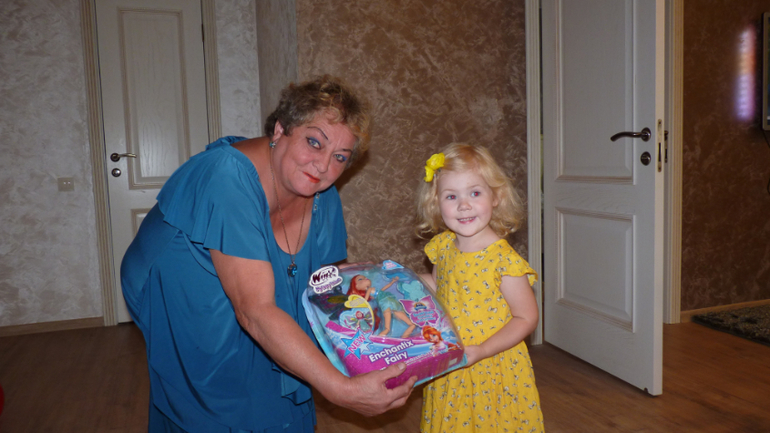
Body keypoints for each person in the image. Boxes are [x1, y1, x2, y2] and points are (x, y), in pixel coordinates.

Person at [120, 75, 417, 433]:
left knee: (276, 373)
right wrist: (340, 389)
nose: (323, 166)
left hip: (252, 291)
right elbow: (255, 310)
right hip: (181, 280)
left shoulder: (324, 197)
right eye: (314, 142)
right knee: (214, 393)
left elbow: (322, 284)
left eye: (339, 156)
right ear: (280, 129)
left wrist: (376, 301)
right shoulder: (224, 179)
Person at [415, 143, 544, 432]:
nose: (464, 205)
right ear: (436, 203)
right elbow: (440, 286)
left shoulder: (504, 261)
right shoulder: (443, 247)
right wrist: (401, 281)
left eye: (475, 193)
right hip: (453, 357)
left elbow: (526, 317)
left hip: (493, 364)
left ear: (495, 197)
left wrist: (483, 350)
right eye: (451, 196)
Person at [347, 275, 417, 338]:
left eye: (365, 277)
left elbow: (385, 288)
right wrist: (356, 302)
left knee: (412, 324)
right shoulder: (369, 290)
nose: (366, 278)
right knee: (387, 329)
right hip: (386, 305)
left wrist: (392, 282)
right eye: (360, 279)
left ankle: (404, 338)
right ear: (357, 286)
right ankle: (377, 339)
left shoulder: (375, 290)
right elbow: (365, 300)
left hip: (393, 304)